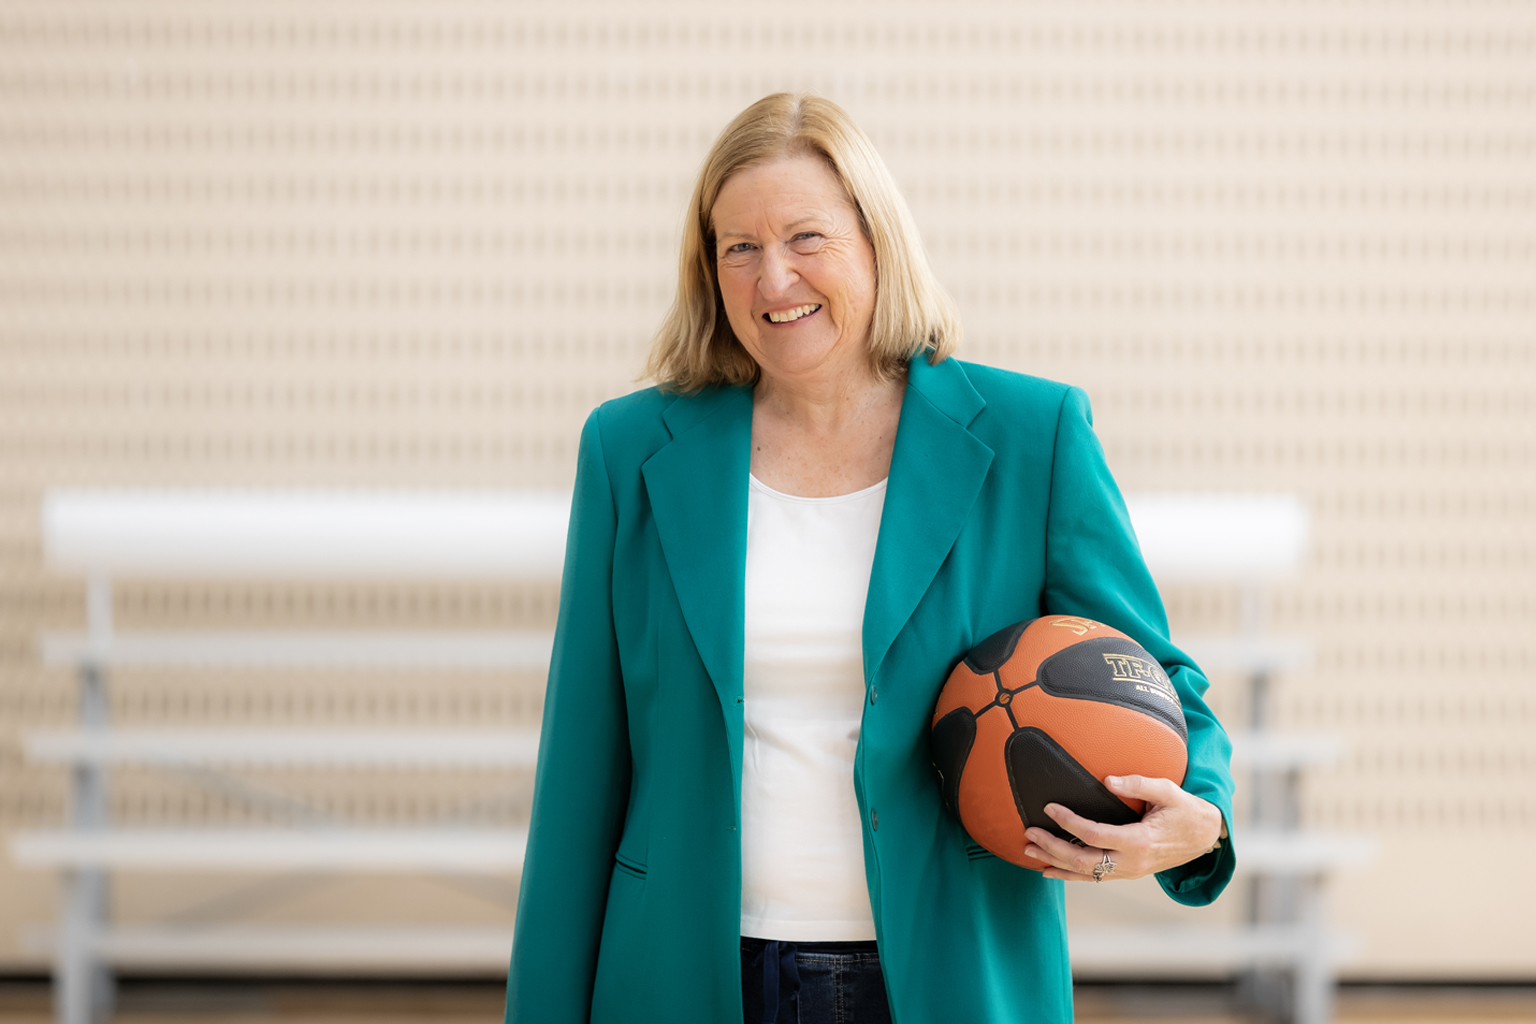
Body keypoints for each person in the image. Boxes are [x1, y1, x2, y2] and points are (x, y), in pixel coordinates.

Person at [505, 93, 1234, 1024]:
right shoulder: (629, 449)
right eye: (739, 247)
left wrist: (1200, 810)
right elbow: (580, 771)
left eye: (807, 237)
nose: (775, 280)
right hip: (685, 974)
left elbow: (1151, 677)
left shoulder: (1030, 437)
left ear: (876, 240)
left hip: (951, 974)